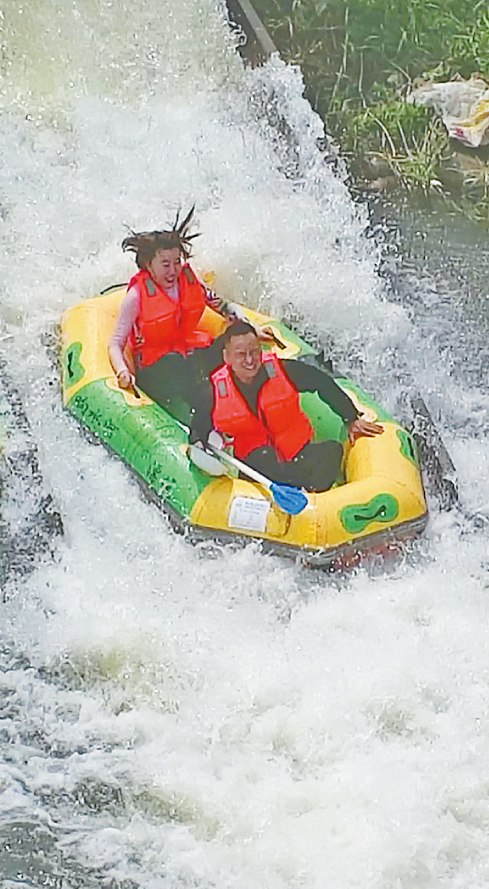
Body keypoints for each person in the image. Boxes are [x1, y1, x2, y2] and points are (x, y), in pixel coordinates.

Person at [190, 322, 384, 493]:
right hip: (257, 466)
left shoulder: (283, 371)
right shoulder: (212, 393)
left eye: (254, 352)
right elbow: (198, 429)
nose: (249, 360)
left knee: (333, 451)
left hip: (297, 454)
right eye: (241, 354)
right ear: (227, 357)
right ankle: (299, 489)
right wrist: (201, 448)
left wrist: (351, 417)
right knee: (264, 457)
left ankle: (308, 495)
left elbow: (321, 382)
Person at [108, 207, 238, 412]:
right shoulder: (136, 296)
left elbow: (222, 306)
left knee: (227, 344)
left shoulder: (189, 282)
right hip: (156, 370)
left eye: (177, 262)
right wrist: (123, 372)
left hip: (187, 357)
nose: (173, 271)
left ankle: (226, 402)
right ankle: (192, 414)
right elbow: (116, 344)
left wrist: (250, 329)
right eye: (165, 264)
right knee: (175, 362)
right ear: (148, 265)